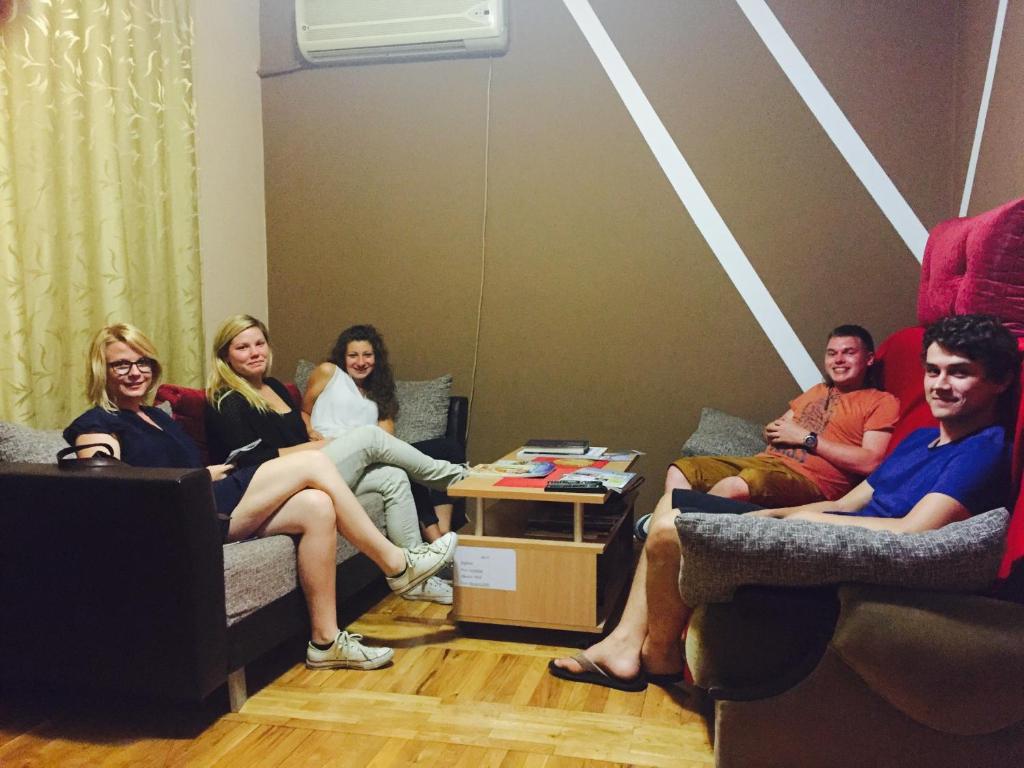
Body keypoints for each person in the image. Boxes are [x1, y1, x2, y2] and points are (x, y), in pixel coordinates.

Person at [551, 314, 1018, 691]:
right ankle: (632, 646)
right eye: (933, 371)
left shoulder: (983, 449)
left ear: (999, 381)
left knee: (673, 528)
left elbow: (914, 532)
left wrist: (799, 526)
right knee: (675, 503)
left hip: (855, 554)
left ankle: (653, 653)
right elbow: (849, 503)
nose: (940, 384)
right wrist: (770, 515)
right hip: (833, 530)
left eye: (959, 372)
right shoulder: (919, 440)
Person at [66, 324, 458, 671]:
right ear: (102, 370)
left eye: (142, 362)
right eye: (121, 365)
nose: (135, 372)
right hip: (185, 518)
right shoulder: (97, 423)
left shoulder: (155, 416)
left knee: (318, 506)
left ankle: (325, 642)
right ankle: (397, 564)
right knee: (314, 464)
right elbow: (109, 487)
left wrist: (207, 472)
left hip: (208, 501)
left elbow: (181, 468)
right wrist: (193, 476)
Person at [204, 315, 463, 604]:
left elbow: (297, 431)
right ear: (225, 355)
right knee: (368, 436)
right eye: (242, 347)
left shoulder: (274, 387)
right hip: (269, 488)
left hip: (306, 474)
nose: (254, 353)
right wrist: (319, 446)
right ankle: (455, 478)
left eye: (259, 344)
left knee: (393, 476)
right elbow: (249, 461)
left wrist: (312, 436)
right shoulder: (225, 399)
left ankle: (416, 578)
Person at [302, 324, 466, 543]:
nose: (361, 362)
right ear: (343, 357)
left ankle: (442, 534)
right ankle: (458, 482)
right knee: (401, 463)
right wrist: (310, 430)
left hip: (369, 454)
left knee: (447, 448)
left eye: (367, 355)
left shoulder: (379, 390)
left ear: (376, 358)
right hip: (333, 453)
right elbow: (304, 410)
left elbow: (387, 435)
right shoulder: (329, 372)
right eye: (353, 355)